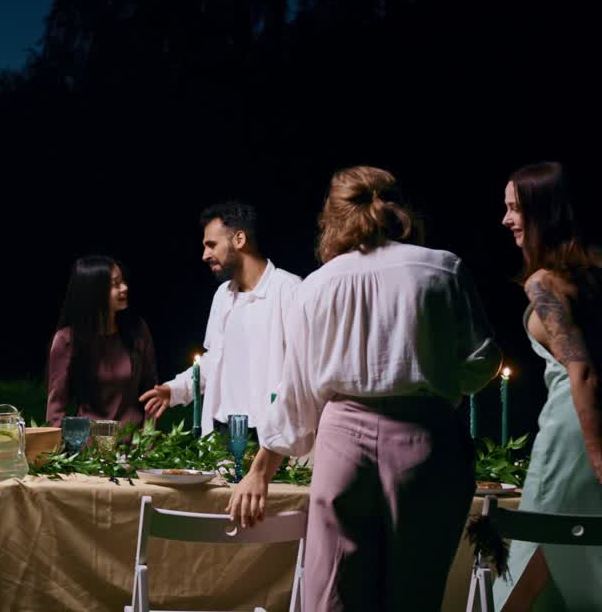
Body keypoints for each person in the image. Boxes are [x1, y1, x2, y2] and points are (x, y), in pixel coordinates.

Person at [228, 165, 500, 610]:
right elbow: (483, 359)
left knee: (334, 593)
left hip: (344, 442)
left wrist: (260, 470)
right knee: (415, 593)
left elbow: (297, 393)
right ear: (400, 209)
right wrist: (433, 381)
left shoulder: (318, 285)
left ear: (332, 218)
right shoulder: (442, 268)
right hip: (426, 440)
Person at [494, 162, 602, 611]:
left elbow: (583, 371)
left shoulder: (544, 283)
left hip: (574, 435)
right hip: (586, 429)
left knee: (534, 548)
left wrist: (598, 456)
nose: (506, 220)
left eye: (515, 208)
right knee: (575, 552)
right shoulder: (594, 271)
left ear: (545, 211)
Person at [140, 202, 301, 435]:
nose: (205, 255)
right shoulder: (223, 295)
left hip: (270, 436)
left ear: (239, 239)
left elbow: (303, 371)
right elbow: (213, 362)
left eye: (211, 245)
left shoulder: (289, 289)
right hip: (222, 434)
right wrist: (174, 390)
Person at [46, 256, 156, 428]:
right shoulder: (67, 340)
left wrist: (147, 439)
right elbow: (56, 408)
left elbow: (151, 392)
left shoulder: (137, 330)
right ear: (93, 292)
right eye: (115, 284)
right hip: (87, 442)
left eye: (123, 281)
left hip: (135, 441)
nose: (124, 288)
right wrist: (61, 443)